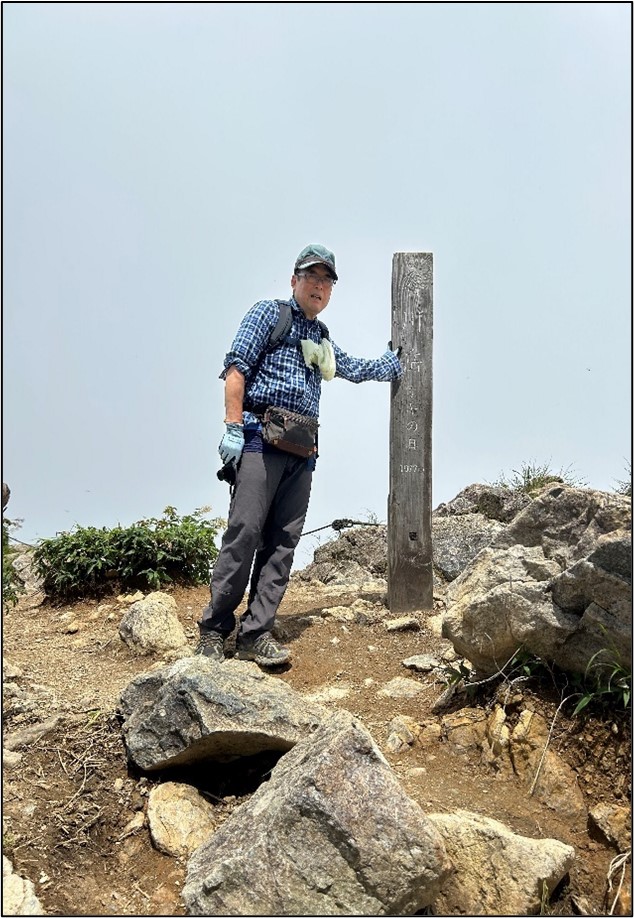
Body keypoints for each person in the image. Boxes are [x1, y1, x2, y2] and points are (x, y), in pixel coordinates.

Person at [195, 244, 402, 668]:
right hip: (258, 441)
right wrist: (233, 428)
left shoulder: (321, 337)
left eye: (326, 281)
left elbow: (352, 367)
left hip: (302, 452)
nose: (319, 286)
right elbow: (236, 370)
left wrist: (388, 365)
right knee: (246, 531)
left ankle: (255, 633)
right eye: (312, 277)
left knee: (283, 543)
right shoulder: (269, 316)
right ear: (294, 281)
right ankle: (214, 631)